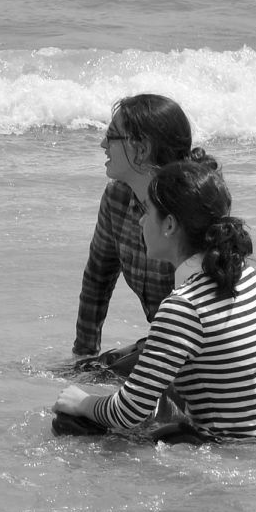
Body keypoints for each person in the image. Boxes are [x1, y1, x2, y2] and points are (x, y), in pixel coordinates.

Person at [55, 159, 256, 443]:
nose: (141, 220)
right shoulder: (249, 277)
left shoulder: (184, 306)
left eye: (146, 211)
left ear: (169, 225)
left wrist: (83, 401)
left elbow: (128, 411)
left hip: (231, 453)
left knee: (69, 423)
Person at [73, 94, 217, 361]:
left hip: (203, 354)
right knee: (89, 371)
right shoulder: (117, 198)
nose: (103, 144)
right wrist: (84, 355)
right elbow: (97, 279)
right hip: (164, 342)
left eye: (112, 136)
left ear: (142, 149)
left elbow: (210, 312)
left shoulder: (193, 207)